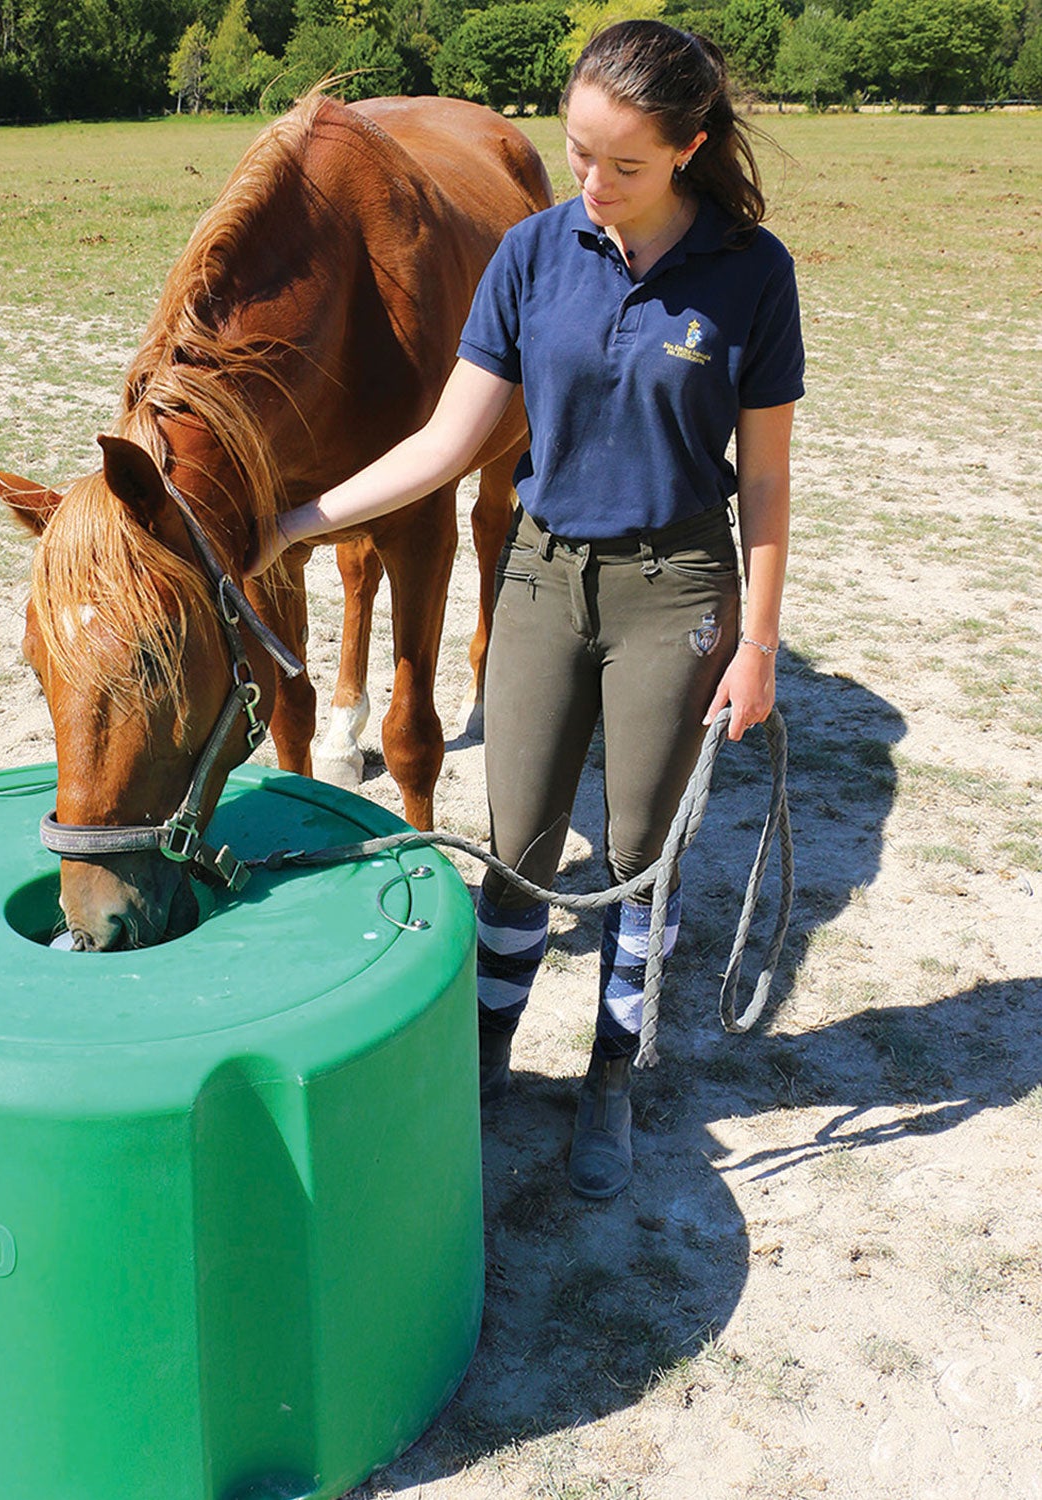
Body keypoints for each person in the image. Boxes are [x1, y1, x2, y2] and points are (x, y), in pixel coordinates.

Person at [249, 21, 803, 1200]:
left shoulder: (753, 274)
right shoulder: (534, 253)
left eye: (624, 166)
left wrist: (758, 641)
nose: (591, 188)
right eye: (576, 154)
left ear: (691, 151)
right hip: (544, 578)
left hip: (678, 589)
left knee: (640, 857)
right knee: (518, 850)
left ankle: (611, 1080)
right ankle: (487, 1057)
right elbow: (449, 441)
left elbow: (762, 479)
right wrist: (296, 523)